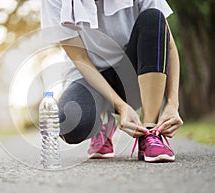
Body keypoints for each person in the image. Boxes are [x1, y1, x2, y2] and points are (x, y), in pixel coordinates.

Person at [41, 0, 183, 162]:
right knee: (70, 125)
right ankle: (104, 121)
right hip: (88, 76)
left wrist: (173, 104)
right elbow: (80, 59)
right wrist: (121, 107)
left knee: (153, 18)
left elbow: (168, 47)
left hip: (131, 75)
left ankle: (150, 132)